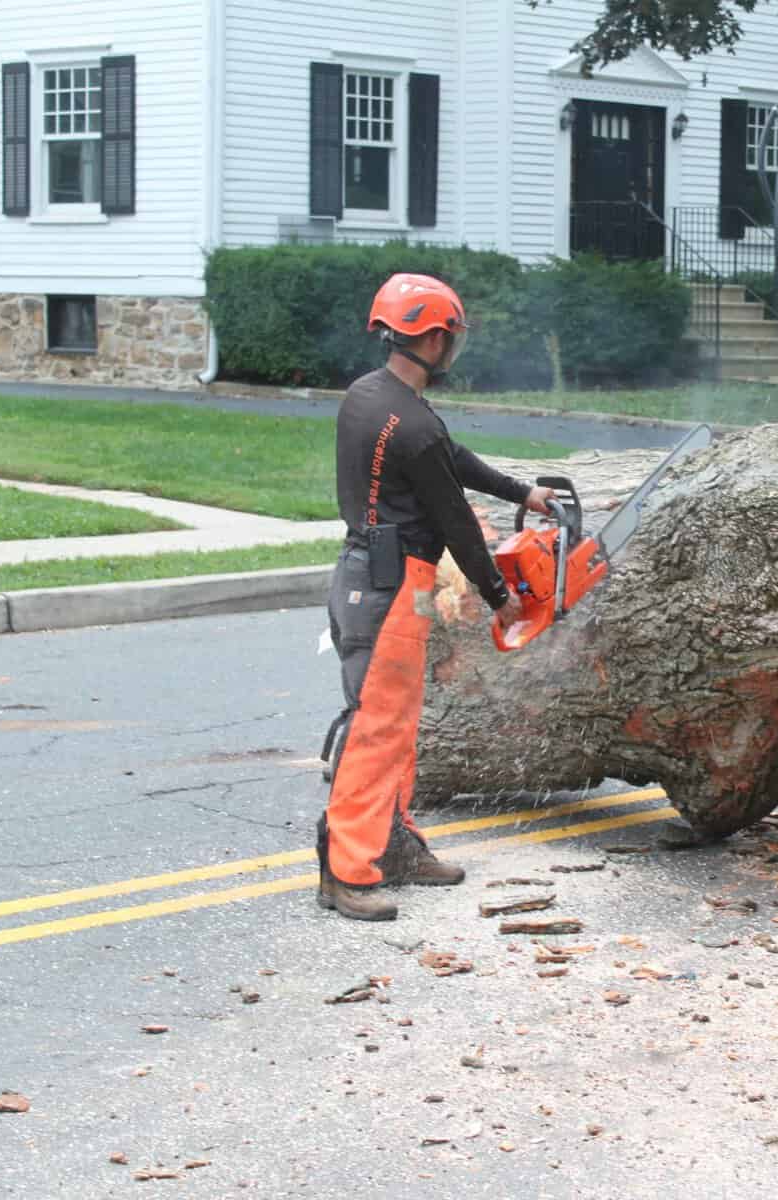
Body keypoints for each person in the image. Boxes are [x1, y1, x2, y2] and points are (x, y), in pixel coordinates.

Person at [316, 272, 551, 921]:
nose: (453, 348)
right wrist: (500, 593)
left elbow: (448, 456)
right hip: (391, 589)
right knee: (375, 729)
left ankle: (392, 843)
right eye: (450, 337)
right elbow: (453, 516)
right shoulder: (411, 425)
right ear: (436, 338)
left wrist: (520, 492)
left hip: (367, 576)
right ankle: (347, 870)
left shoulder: (371, 396)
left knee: (393, 725)